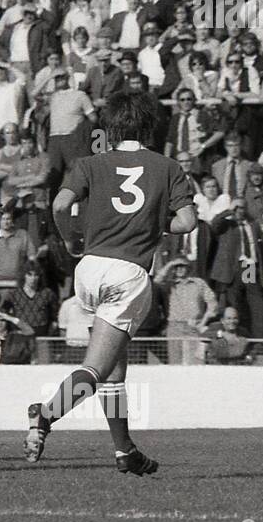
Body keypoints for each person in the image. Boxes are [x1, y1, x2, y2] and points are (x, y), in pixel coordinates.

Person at [26, 90, 197, 474]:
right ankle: (45, 415)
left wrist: (70, 239)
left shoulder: (89, 163)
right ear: (149, 126)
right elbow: (187, 223)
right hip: (127, 273)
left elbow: (57, 205)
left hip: (88, 269)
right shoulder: (166, 166)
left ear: (110, 127)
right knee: (98, 368)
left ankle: (125, 451)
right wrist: (155, 224)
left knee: (116, 371)